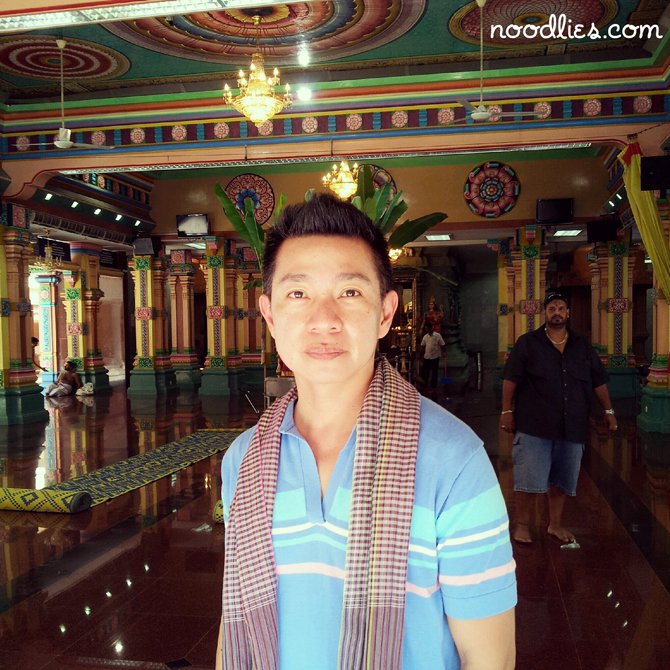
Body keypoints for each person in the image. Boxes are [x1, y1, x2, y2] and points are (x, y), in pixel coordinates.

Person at [217, 193, 516, 670]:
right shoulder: (242, 460)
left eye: (350, 292)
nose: (324, 320)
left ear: (385, 313)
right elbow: (236, 615)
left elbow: (490, 658)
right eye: (298, 293)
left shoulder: (454, 461)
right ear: (270, 315)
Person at [500, 291, 617, 545]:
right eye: (552, 308)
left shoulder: (581, 345)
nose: (556, 312)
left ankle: (555, 525)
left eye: (561, 308)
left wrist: (609, 411)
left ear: (568, 313)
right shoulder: (528, 343)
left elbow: (598, 380)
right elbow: (511, 379)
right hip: (534, 425)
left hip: (572, 426)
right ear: (545, 312)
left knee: (562, 481)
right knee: (528, 479)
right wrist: (507, 411)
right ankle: (522, 526)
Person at [420, 320, 445, 389]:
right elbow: (422, 346)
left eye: (428, 328)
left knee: (434, 372)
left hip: (435, 356)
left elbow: (442, 344)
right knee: (426, 371)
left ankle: (433, 385)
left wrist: (444, 353)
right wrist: (421, 355)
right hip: (427, 356)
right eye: (426, 329)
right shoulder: (425, 337)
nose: (427, 330)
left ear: (431, 328)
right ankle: (425, 384)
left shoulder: (437, 335)